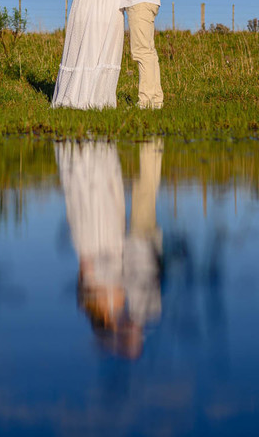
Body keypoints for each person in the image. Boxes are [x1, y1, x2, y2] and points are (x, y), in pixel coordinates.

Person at [57, 139, 163, 360]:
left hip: (106, 241)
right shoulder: (135, 309)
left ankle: (93, 158)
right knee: (117, 196)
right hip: (121, 242)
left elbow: (89, 268)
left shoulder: (103, 302)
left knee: (102, 198)